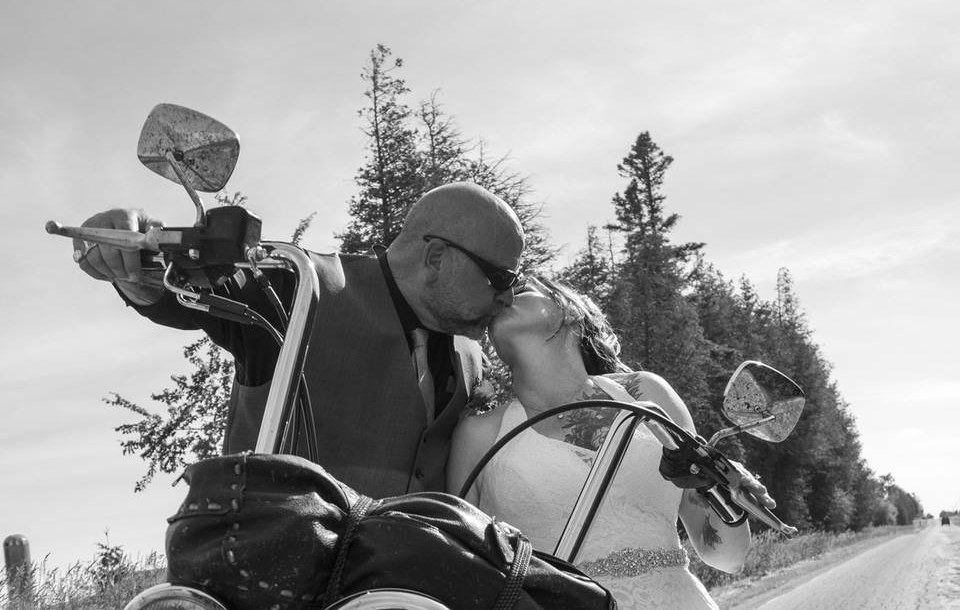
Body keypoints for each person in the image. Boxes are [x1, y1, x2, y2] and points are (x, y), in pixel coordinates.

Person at [72, 183, 525, 498]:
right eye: (500, 277)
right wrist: (134, 253)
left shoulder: (470, 356)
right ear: (437, 257)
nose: (507, 297)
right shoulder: (298, 286)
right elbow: (188, 290)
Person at [447, 278, 775, 609]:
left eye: (523, 289)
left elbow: (728, 557)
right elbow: (462, 574)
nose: (505, 294)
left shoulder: (646, 393)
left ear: (570, 310)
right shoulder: (479, 434)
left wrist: (724, 488)